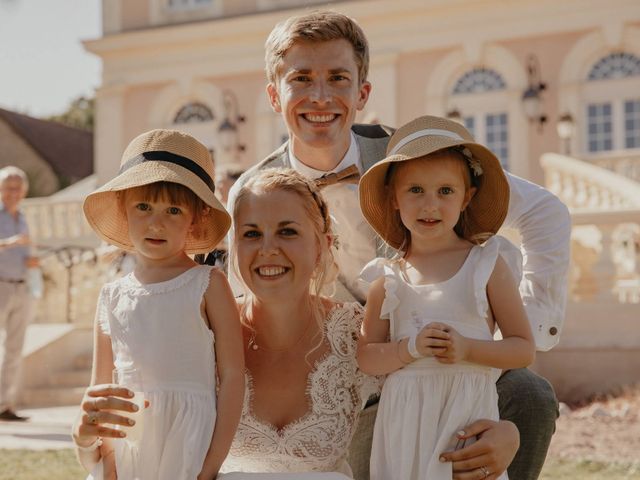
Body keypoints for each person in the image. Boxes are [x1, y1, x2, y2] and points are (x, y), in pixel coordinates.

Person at [227, 10, 570, 479]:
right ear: (273, 95)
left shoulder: (417, 158)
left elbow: (544, 212)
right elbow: (247, 302)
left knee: (529, 396)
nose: (320, 96)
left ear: (363, 93)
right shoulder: (252, 192)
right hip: (343, 376)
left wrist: (525, 328)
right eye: (301, 79)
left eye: (338, 78)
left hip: (446, 356)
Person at [357, 115, 536, 479]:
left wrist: (468, 349)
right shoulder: (388, 277)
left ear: (466, 197)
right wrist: (409, 349)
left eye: (445, 191)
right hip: (404, 425)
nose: (430, 205)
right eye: (415, 190)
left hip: (464, 421)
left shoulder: (485, 264)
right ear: (393, 197)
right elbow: (367, 356)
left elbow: (522, 348)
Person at [72, 129, 245, 480]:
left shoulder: (207, 283)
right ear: (123, 210)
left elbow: (232, 377)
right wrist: (102, 458)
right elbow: (100, 391)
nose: (156, 222)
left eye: (174, 209)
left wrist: (211, 462)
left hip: (189, 445)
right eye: (144, 206)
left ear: (195, 218)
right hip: (130, 447)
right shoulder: (111, 297)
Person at [220, 168, 380, 478]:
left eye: (287, 231)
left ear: (322, 245)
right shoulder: (207, 332)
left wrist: (502, 434)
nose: (268, 249)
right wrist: (94, 442)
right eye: (251, 233)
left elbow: (437, 386)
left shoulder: (355, 332)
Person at [0, 166, 38, 422]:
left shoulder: (25, 217)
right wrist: (11, 243)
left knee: (14, 348)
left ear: (24, 191)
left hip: (22, 286)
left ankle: (4, 405)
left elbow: (30, 249)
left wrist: (33, 262)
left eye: (17, 188)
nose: (13, 192)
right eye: (8, 187)